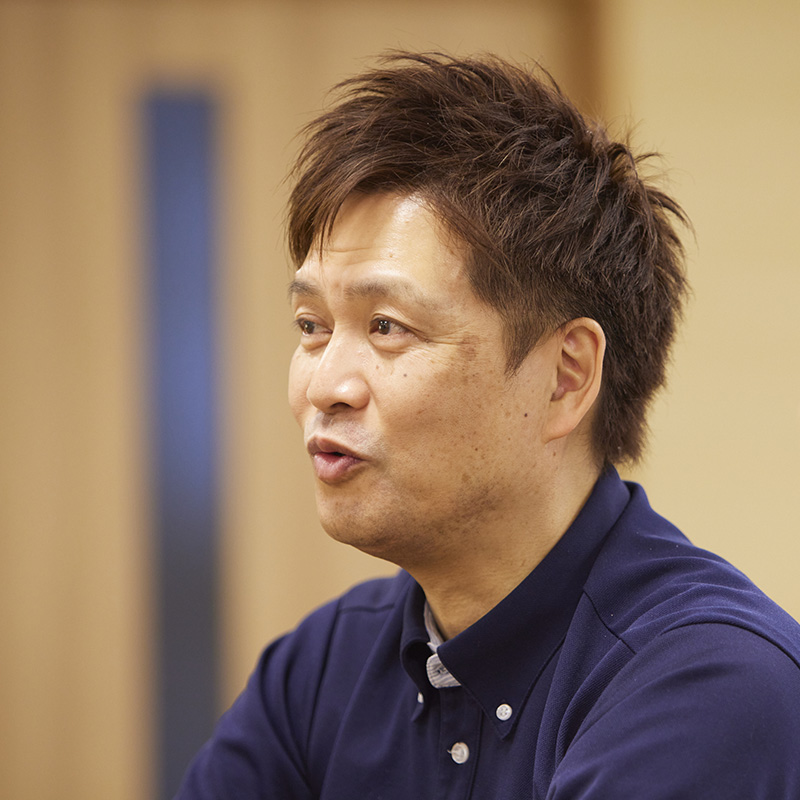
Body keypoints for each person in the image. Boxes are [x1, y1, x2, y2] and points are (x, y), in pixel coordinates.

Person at [176, 52, 800, 799]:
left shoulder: (711, 685)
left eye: (387, 327)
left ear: (566, 376)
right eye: (312, 326)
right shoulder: (319, 670)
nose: (324, 386)